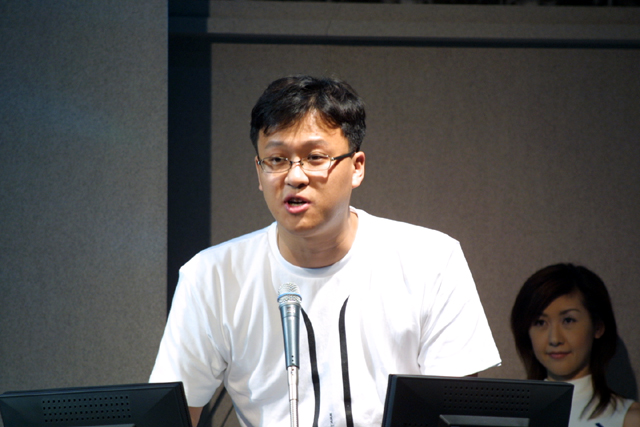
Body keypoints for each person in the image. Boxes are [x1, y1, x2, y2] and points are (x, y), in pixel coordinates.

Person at [150, 75, 501, 427]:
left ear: (357, 167)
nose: (295, 177)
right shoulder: (211, 277)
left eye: (315, 157)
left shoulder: (432, 260)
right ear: (259, 172)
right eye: (276, 159)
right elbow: (171, 418)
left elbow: (454, 414)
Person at [510, 263, 640, 427]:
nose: (554, 339)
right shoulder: (507, 417)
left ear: (597, 327)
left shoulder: (631, 419)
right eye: (540, 322)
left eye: (568, 320)